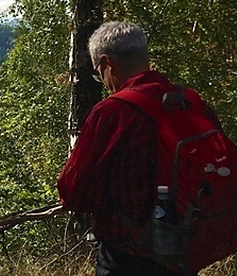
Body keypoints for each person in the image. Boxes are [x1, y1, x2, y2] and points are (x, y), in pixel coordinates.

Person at [57, 21, 205, 276]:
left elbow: (74, 192)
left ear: (106, 62)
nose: (102, 81)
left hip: (127, 255)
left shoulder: (112, 113)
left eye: (98, 72)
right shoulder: (187, 101)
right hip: (181, 248)